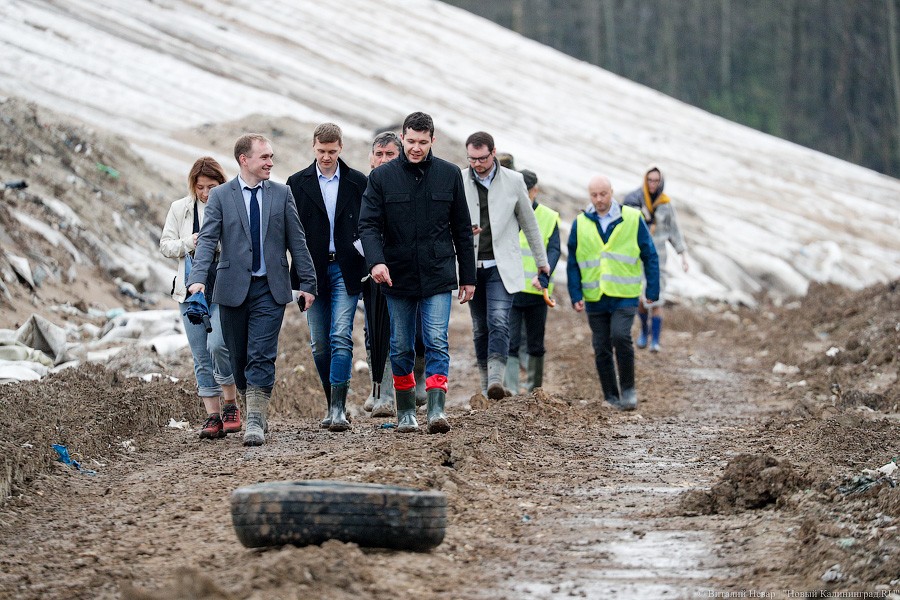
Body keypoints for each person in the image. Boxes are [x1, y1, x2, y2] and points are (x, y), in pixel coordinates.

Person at [187, 134, 317, 446]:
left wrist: (308, 283)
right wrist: (198, 279)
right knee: (238, 358)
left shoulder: (281, 193)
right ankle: (251, 404)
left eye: (271, 157)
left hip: (271, 288)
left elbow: (296, 240)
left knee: (262, 354)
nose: (270, 162)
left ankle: (256, 420)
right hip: (232, 289)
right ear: (244, 160)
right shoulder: (221, 196)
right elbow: (207, 241)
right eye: (264, 158)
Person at [358, 111, 476, 434]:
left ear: (432, 141)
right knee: (400, 345)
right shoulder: (381, 178)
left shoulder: (449, 175)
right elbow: (367, 225)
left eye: (423, 142)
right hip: (396, 275)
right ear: (402, 138)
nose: (416, 148)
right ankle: (406, 411)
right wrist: (376, 261)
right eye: (410, 141)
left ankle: (436, 410)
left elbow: (462, 229)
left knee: (437, 340)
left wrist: (468, 277)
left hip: (438, 274)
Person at [286, 123, 368, 432]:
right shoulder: (296, 183)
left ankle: (337, 410)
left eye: (332, 152)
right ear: (313, 147)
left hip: (346, 268)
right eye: (321, 151)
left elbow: (368, 224)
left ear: (341, 148)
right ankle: (332, 401)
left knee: (340, 335)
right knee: (320, 343)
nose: (326, 157)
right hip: (311, 272)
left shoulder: (358, 182)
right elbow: (289, 233)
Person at [462, 132, 549, 399]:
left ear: (493, 153)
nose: (477, 164)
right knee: (480, 327)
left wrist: (541, 262)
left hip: (502, 265)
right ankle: (486, 382)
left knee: (499, 320)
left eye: (482, 158)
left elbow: (530, 223)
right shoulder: (459, 180)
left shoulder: (514, 181)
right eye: (472, 159)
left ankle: (496, 381)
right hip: (472, 266)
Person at [160, 157, 239, 440]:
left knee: (218, 345)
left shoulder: (232, 205)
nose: (206, 193)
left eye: (212, 186)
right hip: (190, 292)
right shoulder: (179, 209)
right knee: (200, 354)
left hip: (223, 287)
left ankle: (231, 404)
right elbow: (165, 245)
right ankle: (213, 415)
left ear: (222, 183)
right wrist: (190, 242)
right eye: (201, 187)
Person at [567, 175, 659, 411]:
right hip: (594, 296)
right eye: (594, 195)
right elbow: (574, 263)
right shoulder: (580, 223)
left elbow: (649, 254)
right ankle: (611, 395)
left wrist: (652, 288)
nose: (599, 200)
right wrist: (575, 294)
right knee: (601, 346)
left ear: (611, 192)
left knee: (620, 336)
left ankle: (628, 390)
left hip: (624, 293)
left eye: (603, 194)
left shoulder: (632, 218)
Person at [504, 169, 561, 394]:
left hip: (538, 292)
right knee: (511, 341)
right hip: (510, 289)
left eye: (526, 191)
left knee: (536, 343)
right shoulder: (506, 213)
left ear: (534, 191)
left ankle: (534, 391)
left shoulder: (548, 217)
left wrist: (544, 276)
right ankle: (509, 390)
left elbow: (554, 250)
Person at [623, 166, 689, 352]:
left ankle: (655, 340)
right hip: (639, 257)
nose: (652, 184)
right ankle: (644, 332)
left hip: (659, 259)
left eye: (656, 181)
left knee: (657, 298)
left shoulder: (666, 205)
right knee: (643, 299)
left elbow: (674, 230)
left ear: (661, 182)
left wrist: (682, 254)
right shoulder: (636, 200)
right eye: (650, 180)